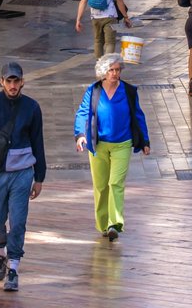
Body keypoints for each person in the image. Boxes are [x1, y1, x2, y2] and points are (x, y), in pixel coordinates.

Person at [0, 60, 45, 294]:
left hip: (22, 173)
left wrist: (39, 177)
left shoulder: (32, 107)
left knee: (18, 221)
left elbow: (38, 142)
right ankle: (0, 253)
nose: (13, 85)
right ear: (2, 81)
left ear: (22, 82)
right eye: (9, 80)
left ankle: (13, 267)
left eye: (16, 81)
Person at [74, 54, 150, 241]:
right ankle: (103, 224)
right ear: (103, 72)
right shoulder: (93, 90)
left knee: (116, 183)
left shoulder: (129, 91)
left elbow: (138, 116)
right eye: (111, 70)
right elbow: (83, 113)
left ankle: (114, 223)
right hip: (98, 144)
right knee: (101, 186)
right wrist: (80, 135)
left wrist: (145, 141)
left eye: (118, 70)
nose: (115, 73)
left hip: (122, 144)